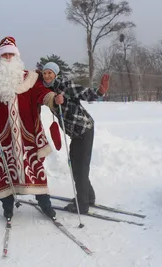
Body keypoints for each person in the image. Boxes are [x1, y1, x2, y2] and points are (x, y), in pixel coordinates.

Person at [0, 36, 64, 219]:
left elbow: (42, 94)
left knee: (35, 169)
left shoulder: (30, 78)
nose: (8, 57)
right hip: (2, 135)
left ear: (17, 56)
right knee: (4, 171)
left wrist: (54, 99)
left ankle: (44, 203)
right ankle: (7, 207)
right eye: (4, 54)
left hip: (27, 134)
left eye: (11, 54)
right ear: (0, 57)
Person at [39, 62, 110, 214]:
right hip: (76, 134)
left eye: (50, 73)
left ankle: (82, 204)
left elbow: (81, 92)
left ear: (56, 74)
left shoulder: (63, 84)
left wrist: (99, 92)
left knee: (80, 167)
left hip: (84, 129)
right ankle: (88, 196)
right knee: (76, 165)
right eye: (45, 73)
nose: (47, 76)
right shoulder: (46, 89)